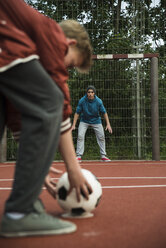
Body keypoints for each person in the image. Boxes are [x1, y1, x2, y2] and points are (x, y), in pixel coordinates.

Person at [0, 0, 93, 238]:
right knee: (51, 99)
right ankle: (20, 213)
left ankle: (24, 207)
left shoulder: (22, 49)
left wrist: (36, 168)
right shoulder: (51, 33)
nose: (67, 70)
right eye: (70, 63)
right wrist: (73, 168)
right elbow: (57, 103)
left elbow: (17, 114)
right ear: (68, 43)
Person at [72, 85, 112, 162]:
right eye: (89, 92)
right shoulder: (82, 101)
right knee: (80, 136)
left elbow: (104, 113)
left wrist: (108, 124)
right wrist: (73, 125)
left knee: (101, 137)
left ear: (94, 93)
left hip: (96, 121)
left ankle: (103, 156)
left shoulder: (98, 101)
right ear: (86, 93)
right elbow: (77, 113)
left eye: (92, 92)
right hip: (84, 120)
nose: (90, 94)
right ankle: (79, 156)